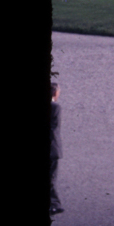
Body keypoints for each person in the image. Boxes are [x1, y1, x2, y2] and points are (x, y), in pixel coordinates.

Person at [51, 82, 64, 216]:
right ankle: (55, 205)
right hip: (52, 149)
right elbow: (55, 127)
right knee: (51, 177)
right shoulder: (55, 107)